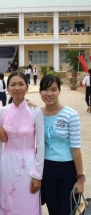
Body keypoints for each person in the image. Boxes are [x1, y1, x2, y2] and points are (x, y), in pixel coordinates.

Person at [0, 71, 44, 215]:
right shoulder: (2, 112)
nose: (17, 88)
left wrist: (38, 175)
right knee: (9, 202)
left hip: (29, 166)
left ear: (27, 87)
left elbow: (41, 145)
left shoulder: (35, 111)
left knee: (28, 203)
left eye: (21, 84)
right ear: (7, 89)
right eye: (13, 84)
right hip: (7, 164)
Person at [40, 74, 84, 215]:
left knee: (68, 211)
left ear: (59, 90)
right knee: (53, 210)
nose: (49, 94)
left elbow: (76, 148)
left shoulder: (71, 115)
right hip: (46, 170)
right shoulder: (36, 114)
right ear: (40, 91)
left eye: (53, 89)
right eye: (45, 89)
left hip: (67, 170)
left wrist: (80, 179)